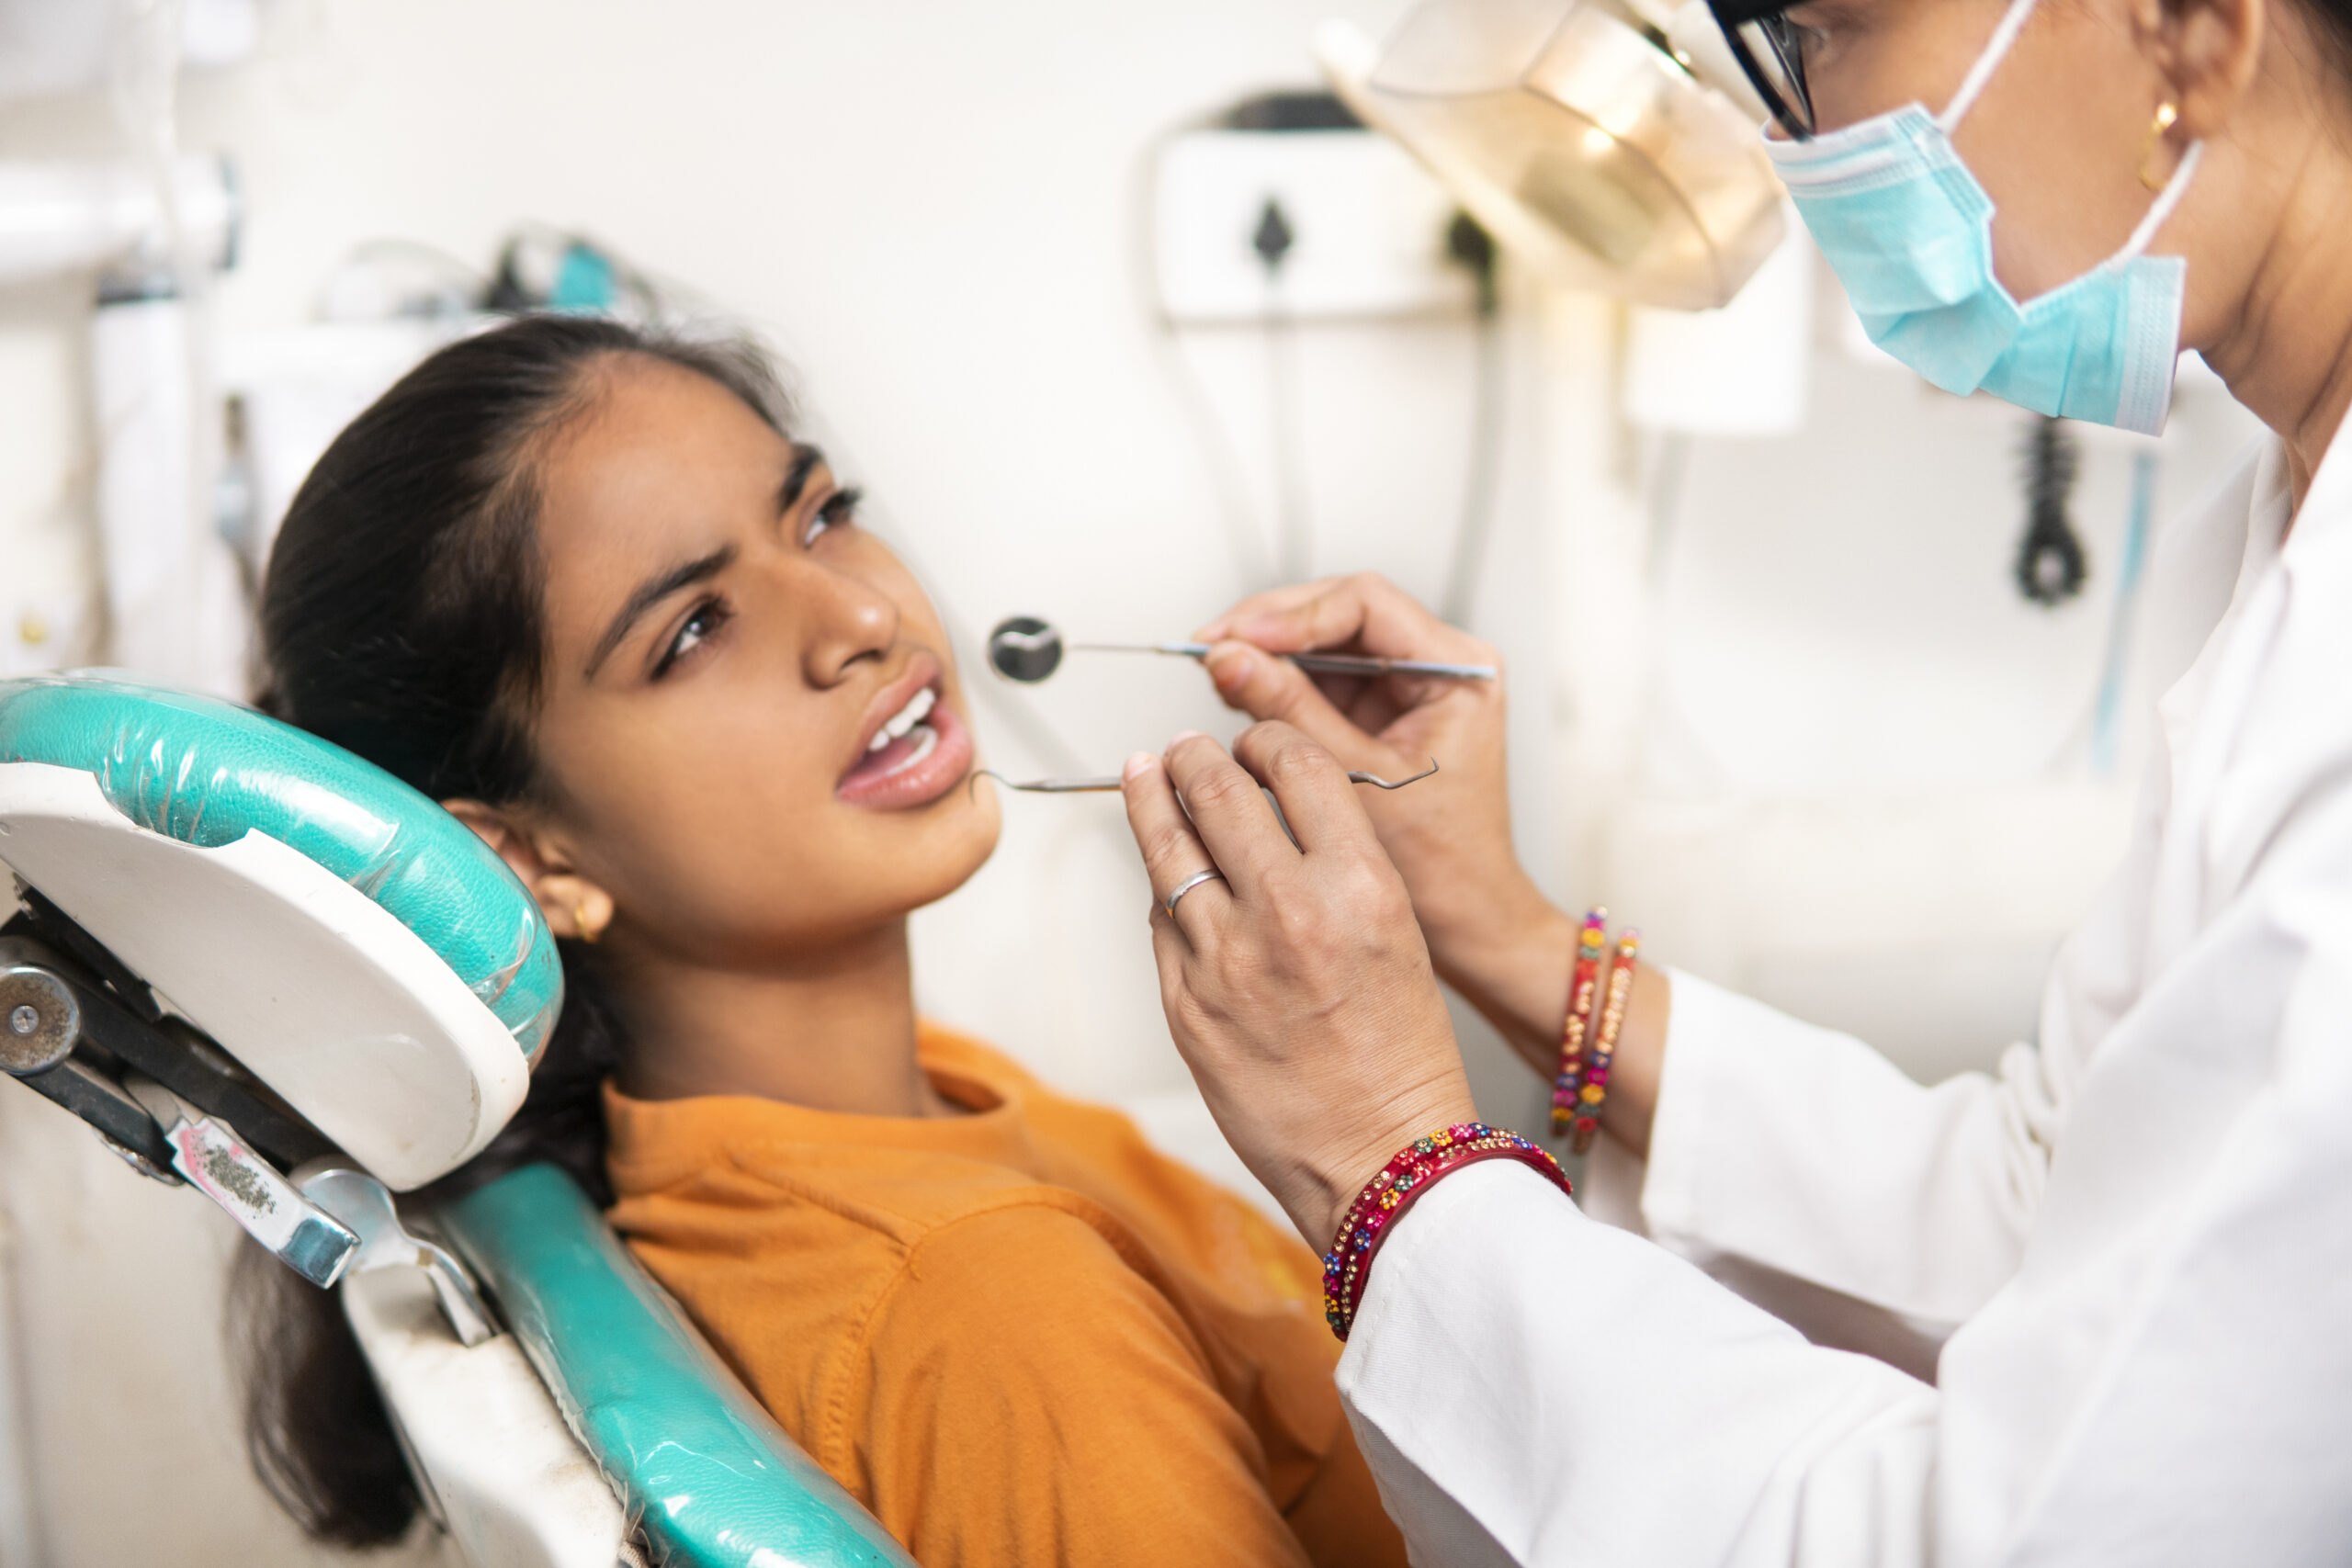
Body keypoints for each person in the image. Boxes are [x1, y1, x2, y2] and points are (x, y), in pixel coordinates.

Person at [1110, 0, 2352, 1558]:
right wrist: (1501, 930)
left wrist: (1391, 1166)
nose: (1800, 137)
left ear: (2188, 34)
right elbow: (2043, 1222)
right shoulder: (2275, 523)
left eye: (1827, 29)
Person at [234, 313, 1408, 1568]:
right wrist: (1395, 1119)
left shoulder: (887, 1126)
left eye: (819, 513)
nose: (857, 612)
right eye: (693, 630)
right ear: (528, 859)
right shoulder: (991, 1305)